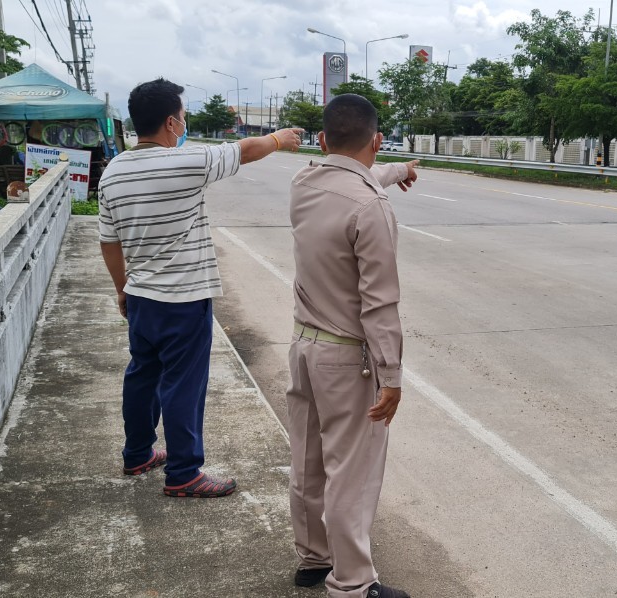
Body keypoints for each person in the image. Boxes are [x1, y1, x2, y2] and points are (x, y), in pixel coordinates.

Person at [97, 78, 303, 498]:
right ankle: (184, 473)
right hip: (184, 300)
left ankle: (137, 454)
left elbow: (109, 241)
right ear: (171, 123)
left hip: (141, 297)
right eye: (183, 117)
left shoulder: (113, 170)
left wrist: (122, 289)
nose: (184, 124)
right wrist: (278, 139)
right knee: (183, 384)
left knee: (142, 375)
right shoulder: (186, 162)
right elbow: (245, 150)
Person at [287, 94, 418, 598]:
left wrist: (396, 171)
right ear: (377, 140)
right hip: (346, 359)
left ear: (322, 140)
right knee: (351, 472)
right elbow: (380, 304)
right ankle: (353, 583)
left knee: (308, 459)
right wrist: (392, 376)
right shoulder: (371, 208)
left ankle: (314, 558)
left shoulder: (303, 183)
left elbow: (357, 176)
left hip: (303, 345)